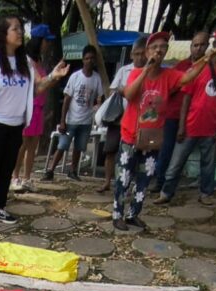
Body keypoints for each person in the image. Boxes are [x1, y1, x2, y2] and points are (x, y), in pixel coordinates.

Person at [0, 16, 69, 229]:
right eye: (15, 29)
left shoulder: (25, 61)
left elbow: (37, 88)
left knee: (7, 169)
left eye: (20, 29)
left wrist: (54, 75)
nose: (20, 33)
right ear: (4, 35)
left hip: (16, 125)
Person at [113, 32, 208, 230]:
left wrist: (206, 58)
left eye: (162, 47)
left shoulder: (170, 75)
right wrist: (145, 70)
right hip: (130, 136)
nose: (158, 50)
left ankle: (133, 214)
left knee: (144, 179)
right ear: (147, 51)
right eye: (154, 47)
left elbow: (188, 77)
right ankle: (117, 214)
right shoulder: (136, 73)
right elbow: (130, 94)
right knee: (124, 178)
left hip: (153, 139)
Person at [154, 23, 216, 205]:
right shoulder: (200, 66)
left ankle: (206, 193)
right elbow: (186, 98)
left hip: (212, 125)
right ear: (215, 44)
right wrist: (182, 125)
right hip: (191, 124)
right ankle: (166, 192)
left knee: (208, 163)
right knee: (176, 161)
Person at [152, 29, 210, 191]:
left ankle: (172, 186)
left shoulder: (208, 67)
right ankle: (159, 182)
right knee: (166, 149)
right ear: (191, 46)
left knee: (183, 155)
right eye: (195, 45)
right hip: (173, 115)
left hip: (195, 118)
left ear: (207, 46)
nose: (198, 48)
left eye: (202, 45)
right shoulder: (181, 67)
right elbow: (168, 90)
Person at [44, 44, 103, 181]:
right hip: (71, 119)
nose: (89, 61)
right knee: (63, 145)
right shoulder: (75, 77)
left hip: (86, 120)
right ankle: (51, 170)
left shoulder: (97, 79)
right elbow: (66, 100)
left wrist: (97, 108)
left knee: (79, 147)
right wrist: (62, 120)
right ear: (83, 60)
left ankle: (73, 170)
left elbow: (99, 98)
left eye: (92, 58)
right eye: (87, 58)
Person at [97, 36, 147, 193]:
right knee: (110, 150)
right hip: (118, 119)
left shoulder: (150, 73)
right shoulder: (124, 70)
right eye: (136, 54)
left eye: (142, 53)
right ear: (131, 54)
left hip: (139, 121)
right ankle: (107, 181)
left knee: (135, 153)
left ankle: (129, 184)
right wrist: (124, 90)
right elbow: (113, 90)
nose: (139, 57)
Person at [12, 27, 54, 192]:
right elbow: (38, 82)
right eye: (46, 40)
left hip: (39, 109)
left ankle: (27, 178)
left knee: (32, 146)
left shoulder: (39, 61)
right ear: (39, 41)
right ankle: (15, 177)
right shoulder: (26, 60)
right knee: (22, 145)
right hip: (28, 108)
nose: (47, 44)